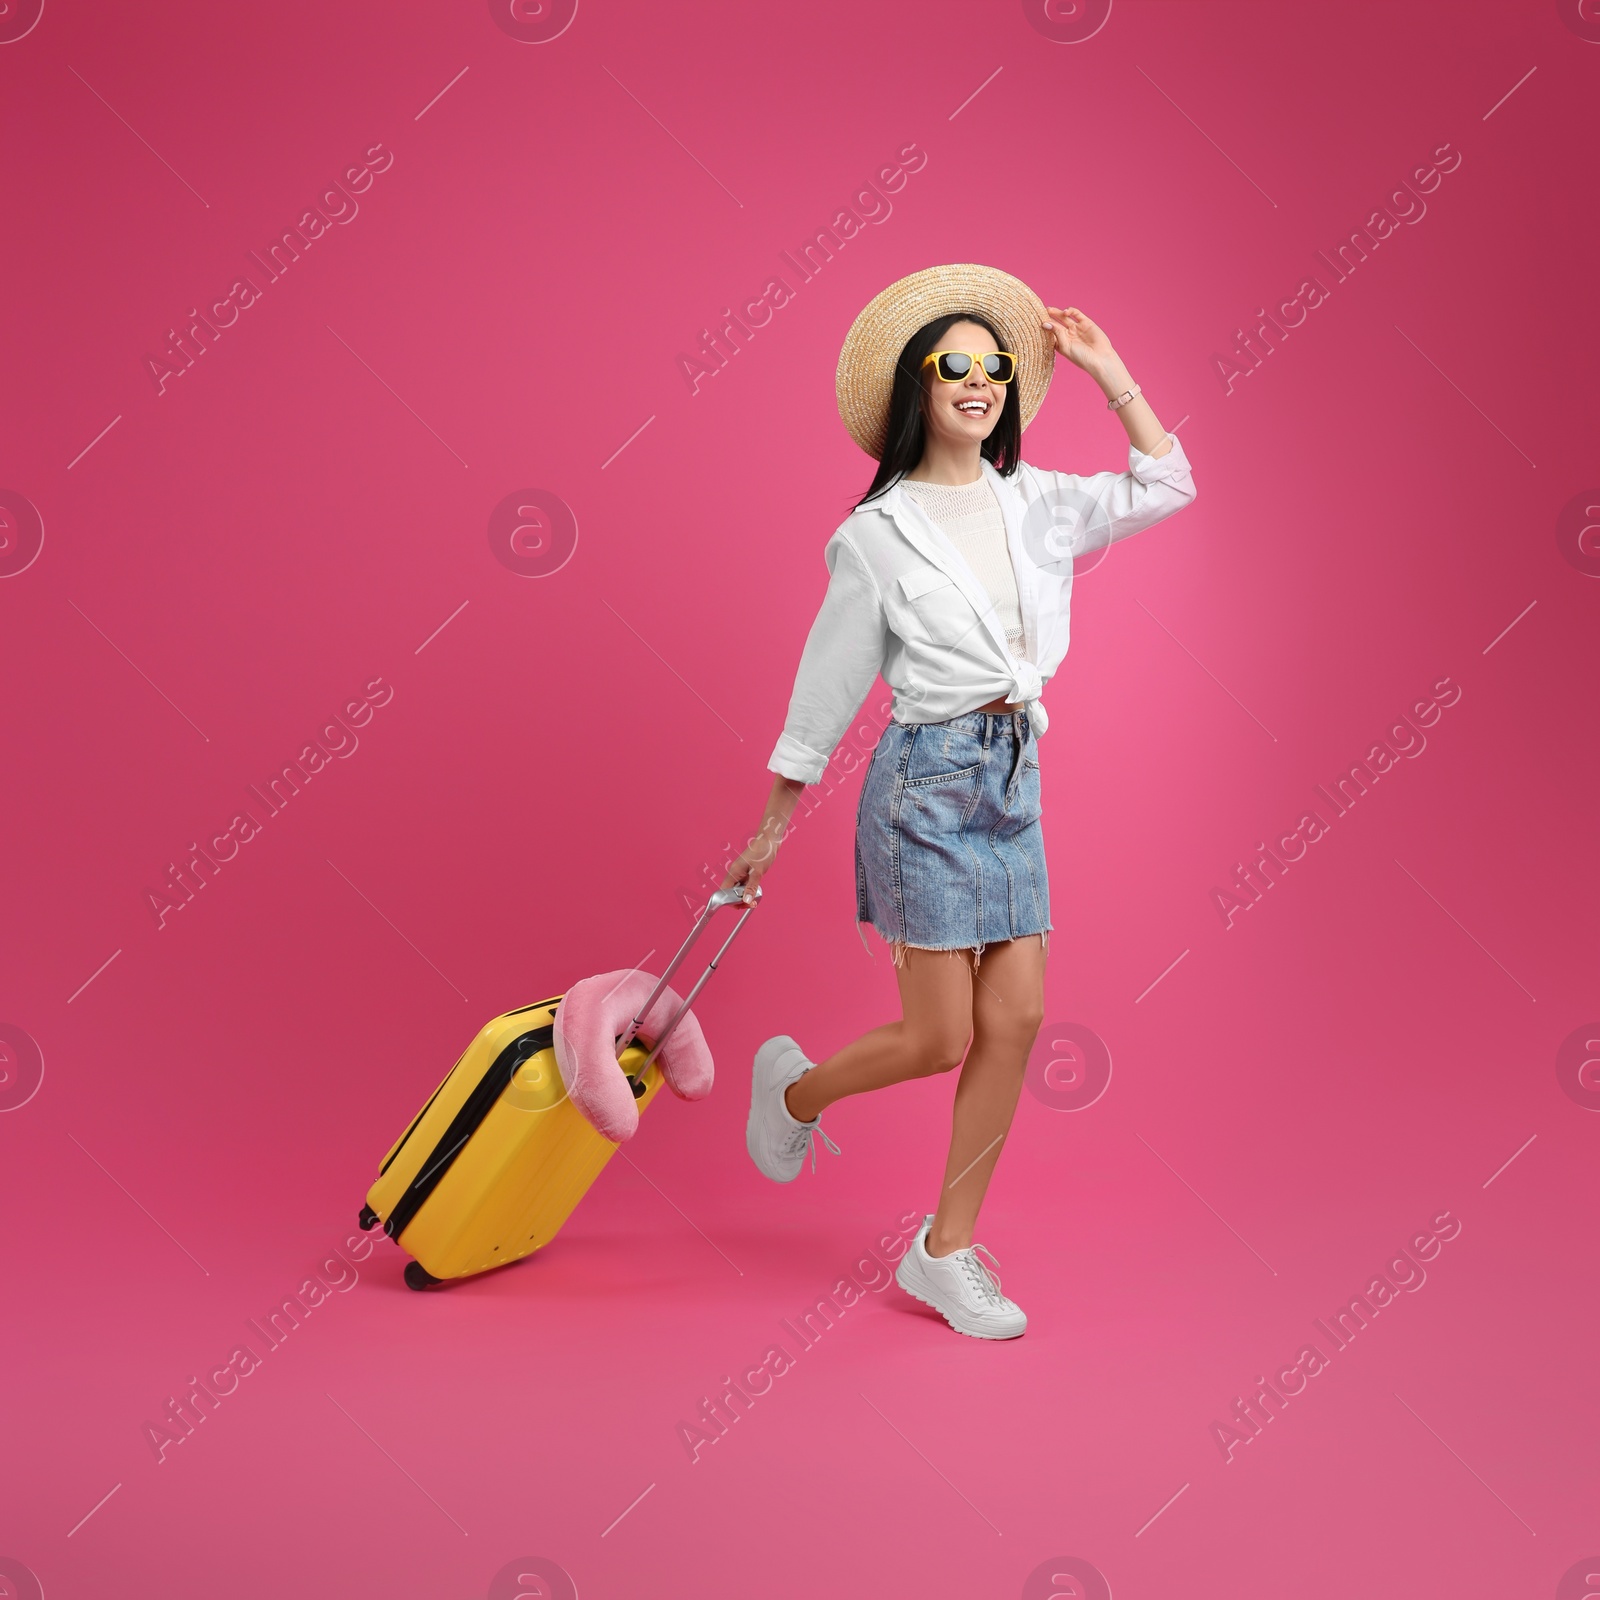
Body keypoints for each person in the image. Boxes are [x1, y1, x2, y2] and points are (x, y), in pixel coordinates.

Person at [721, 264, 1198, 1338]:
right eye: (955, 364)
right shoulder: (877, 534)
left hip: (1013, 773)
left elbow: (1169, 484)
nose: (979, 381)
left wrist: (1109, 371)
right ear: (915, 385)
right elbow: (827, 686)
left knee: (1016, 1021)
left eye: (995, 366)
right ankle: (795, 1093)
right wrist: (768, 827)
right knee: (940, 1038)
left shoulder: (1041, 502)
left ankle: (944, 1251)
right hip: (923, 789)